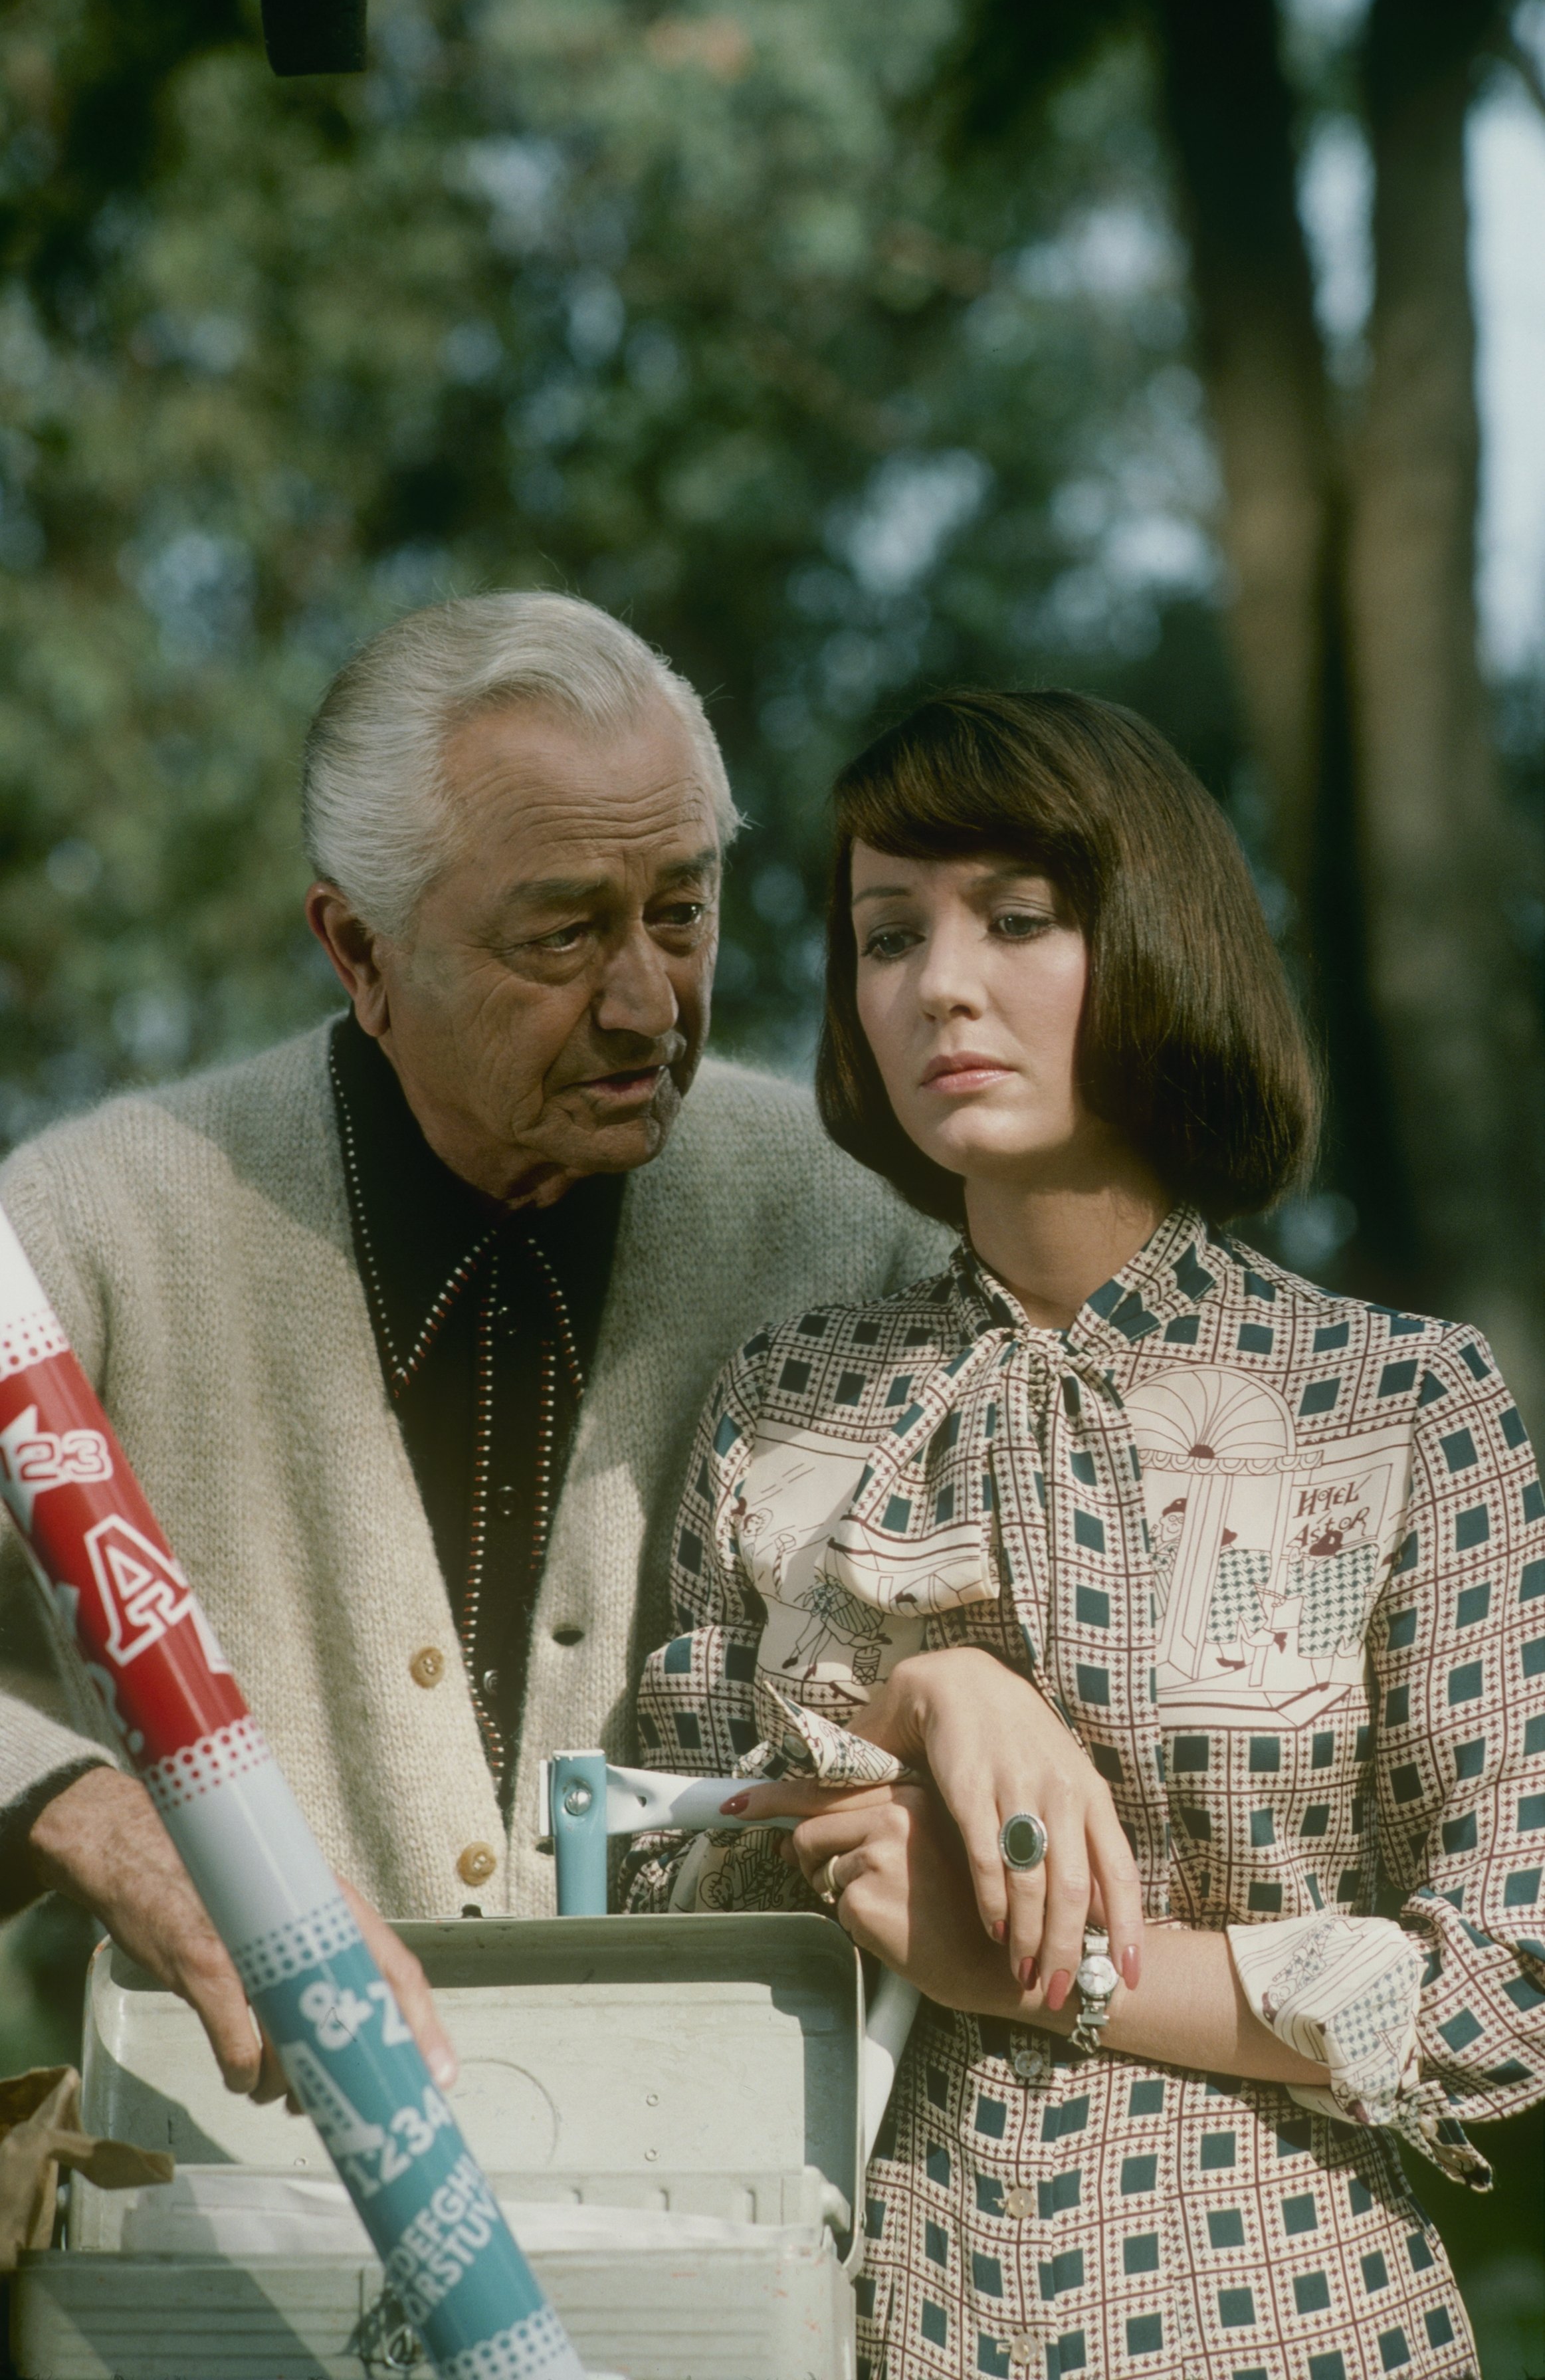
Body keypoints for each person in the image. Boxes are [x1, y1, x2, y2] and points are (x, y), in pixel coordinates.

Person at [629, 689, 1545, 2380]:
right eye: (886, 935)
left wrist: (1060, 1975)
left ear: (1154, 939)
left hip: (1289, 2322)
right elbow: (649, 1915)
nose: (938, 985)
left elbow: (1510, 1986)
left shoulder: (1396, 1406)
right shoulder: (786, 1410)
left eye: (1018, 920)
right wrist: (914, 1701)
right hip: (853, 2320)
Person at [0, 591, 944, 2104]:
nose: (645, 1002)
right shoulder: (86, 1229)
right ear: (356, 950)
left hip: (742, 2208)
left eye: (681, 912)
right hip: (245, 2205)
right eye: (561, 933)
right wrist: (109, 1832)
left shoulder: (856, 1226)